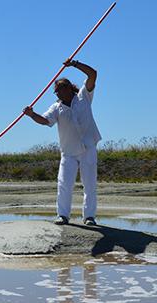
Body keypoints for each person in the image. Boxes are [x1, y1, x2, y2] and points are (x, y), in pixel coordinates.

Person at [23, 59, 101, 226]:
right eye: (56, 91)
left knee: (90, 185)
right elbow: (45, 120)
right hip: (69, 152)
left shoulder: (83, 96)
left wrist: (75, 64)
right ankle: (63, 215)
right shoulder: (56, 108)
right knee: (64, 184)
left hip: (88, 147)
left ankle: (89, 217)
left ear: (68, 88)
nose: (57, 93)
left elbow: (93, 74)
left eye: (59, 89)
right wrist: (31, 114)